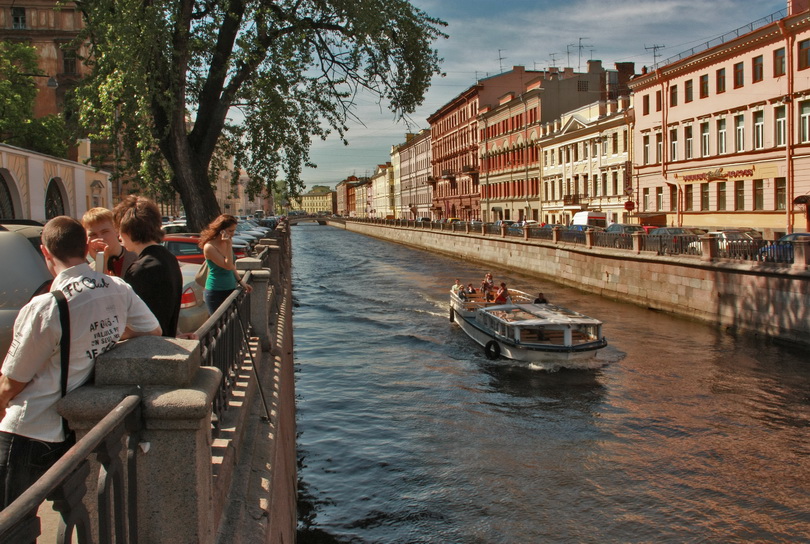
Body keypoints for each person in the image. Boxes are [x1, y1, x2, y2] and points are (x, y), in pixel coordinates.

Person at [0, 216, 161, 508]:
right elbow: (152, 330)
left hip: (29, 430)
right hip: (78, 428)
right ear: (86, 247)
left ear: (45, 252)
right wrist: (111, 332)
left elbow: (12, 381)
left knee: (12, 522)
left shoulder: (46, 305)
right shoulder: (117, 287)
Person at [113, 195, 183, 337]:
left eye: (119, 231)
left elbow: (137, 324)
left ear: (129, 231)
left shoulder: (141, 269)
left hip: (151, 351)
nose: (119, 237)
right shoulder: (169, 258)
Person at [199, 214, 253, 314]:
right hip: (215, 291)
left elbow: (232, 265)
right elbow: (227, 266)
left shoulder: (227, 242)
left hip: (231, 288)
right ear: (221, 230)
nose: (233, 234)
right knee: (219, 326)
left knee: (231, 322)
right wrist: (229, 244)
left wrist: (241, 282)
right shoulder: (209, 247)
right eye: (230, 231)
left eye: (234, 230)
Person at [82, 207, 138, 277]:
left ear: (117, 231)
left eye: (105, 232)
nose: (100, 238)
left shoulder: (137, 259)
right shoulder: (89, 271)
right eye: (93, 234)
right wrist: (100, 263)